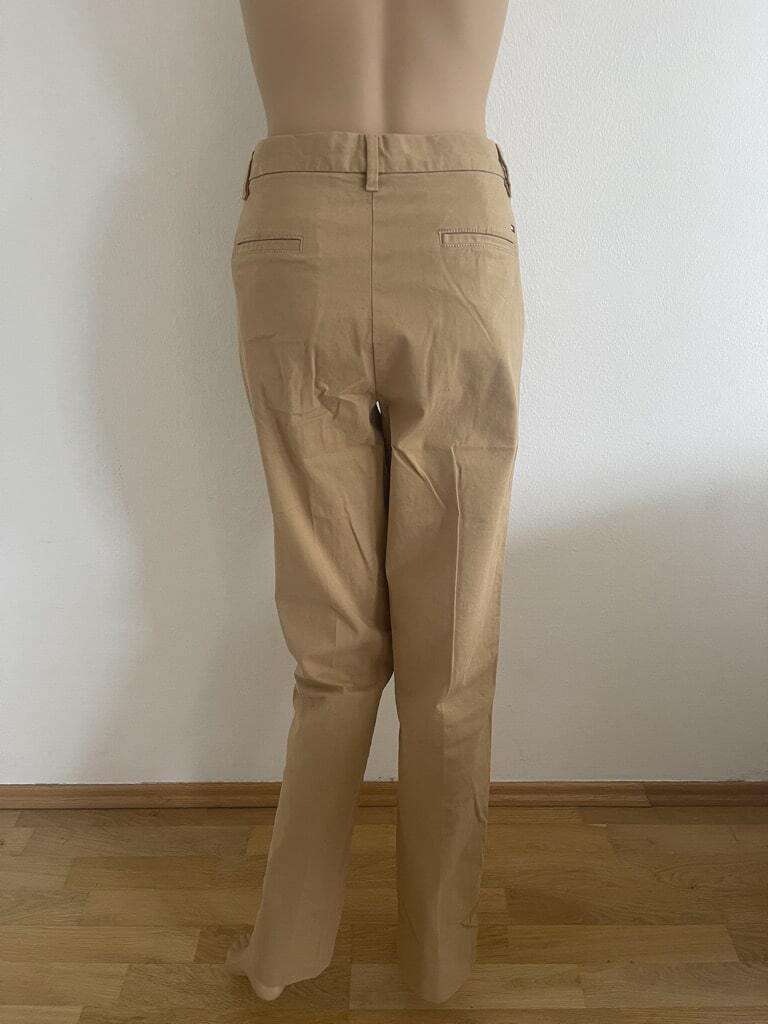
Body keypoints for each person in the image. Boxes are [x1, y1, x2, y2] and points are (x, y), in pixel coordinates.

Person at [224, 0, 524, 1005]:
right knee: (452, 653)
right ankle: (436, 965)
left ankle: (283, 955)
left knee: (333, 651)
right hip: (456, 232)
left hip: (295, 230)